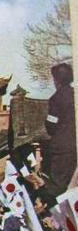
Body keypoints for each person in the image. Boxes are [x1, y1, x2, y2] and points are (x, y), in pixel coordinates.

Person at [42, 62, 76, 197]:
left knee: (58, 185)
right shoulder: (75, 95)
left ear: (56, 80)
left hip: (62, 147)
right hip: (75, 144)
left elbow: (51, 124)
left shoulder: (56, 98)